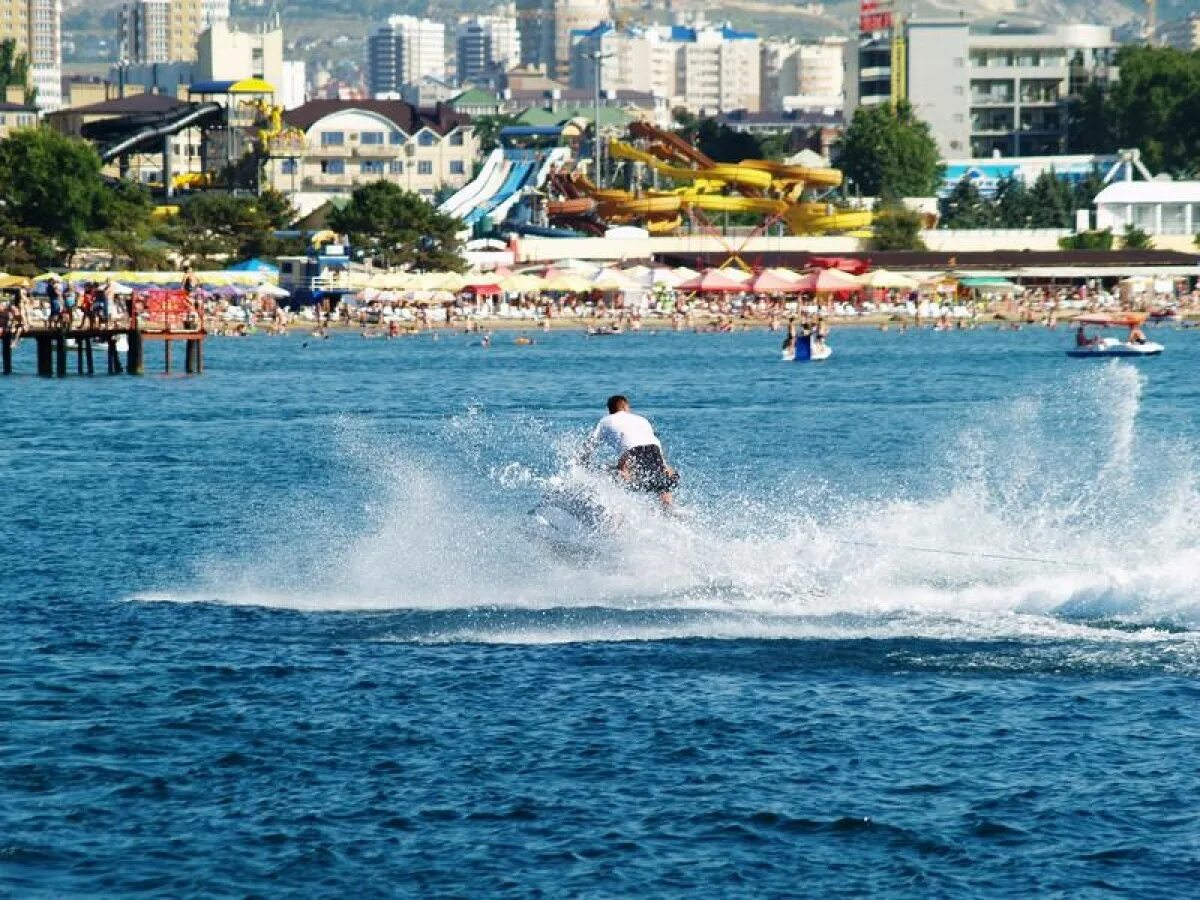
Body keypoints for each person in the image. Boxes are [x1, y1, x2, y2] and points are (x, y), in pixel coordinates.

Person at [582, 395, 678, 507]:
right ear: (626, 407)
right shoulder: (642, 419)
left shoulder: (605, 421)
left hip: (631, 453)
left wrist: (582, 462)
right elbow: (653, 440)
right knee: (662, 485)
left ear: (610, 410)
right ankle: (670, 509)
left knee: (611, 472)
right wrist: (665, 465)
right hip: (654, 450)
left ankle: (618, 512)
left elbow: (590, 445)